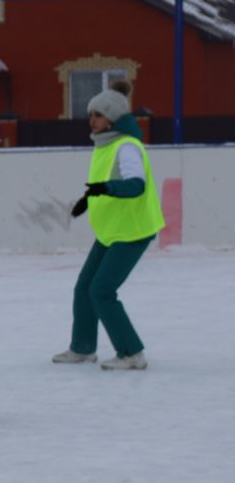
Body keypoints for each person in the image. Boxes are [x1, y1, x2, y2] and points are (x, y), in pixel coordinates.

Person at [53, 86, 164, 370]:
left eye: (99, 115)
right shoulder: (105, 145)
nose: (93, 120)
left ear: (112, 118)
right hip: (111, 231)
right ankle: (83, 348)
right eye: (91, 114)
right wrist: (89, 199)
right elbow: (106, 182)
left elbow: (135, 185)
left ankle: (132, 354)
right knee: (84, 288)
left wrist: (106, 188)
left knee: (101, 291)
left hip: (132, 231)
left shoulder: (126, 146)